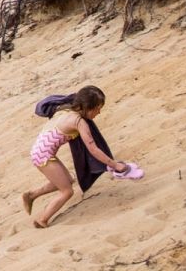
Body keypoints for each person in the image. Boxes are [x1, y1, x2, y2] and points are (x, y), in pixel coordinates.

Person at [22, 85, 143, 228]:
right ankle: (42, 220)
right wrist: (115, 165)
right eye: (98, 108)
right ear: (88, 107)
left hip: (40, 152)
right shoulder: (78, 122)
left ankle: (31, 195)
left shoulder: (65, 108)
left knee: (67, 180)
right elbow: (93, 149)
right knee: (67, 191)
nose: (99, 112)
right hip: (43, 157)